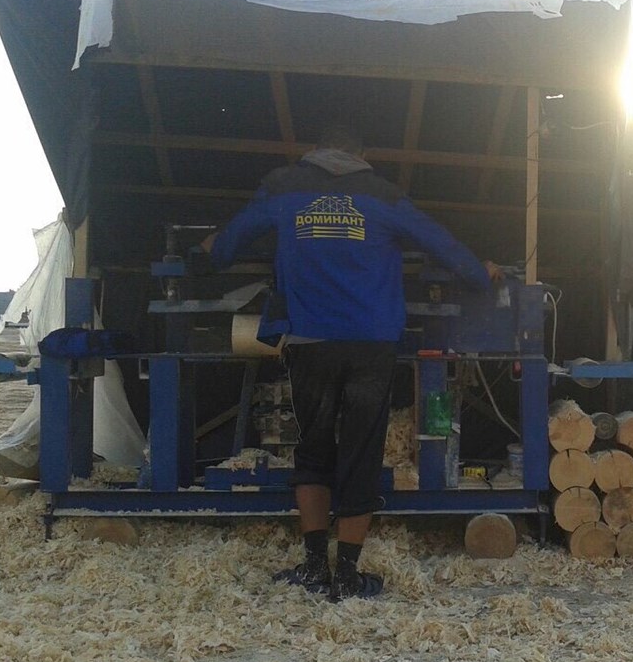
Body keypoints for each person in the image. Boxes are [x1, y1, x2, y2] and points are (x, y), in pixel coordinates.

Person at [203, 125, 499, 600]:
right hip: (370, 344)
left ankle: (314, 566)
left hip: (309, 341)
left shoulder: (283, 187)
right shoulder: (383, 195)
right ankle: (348, 574)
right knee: (362, 451)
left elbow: (228, 245)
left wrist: (210, 249)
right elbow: (442, 244)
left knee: (313, 448)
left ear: (315, 151)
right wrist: (481, 276)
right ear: (362, 155)